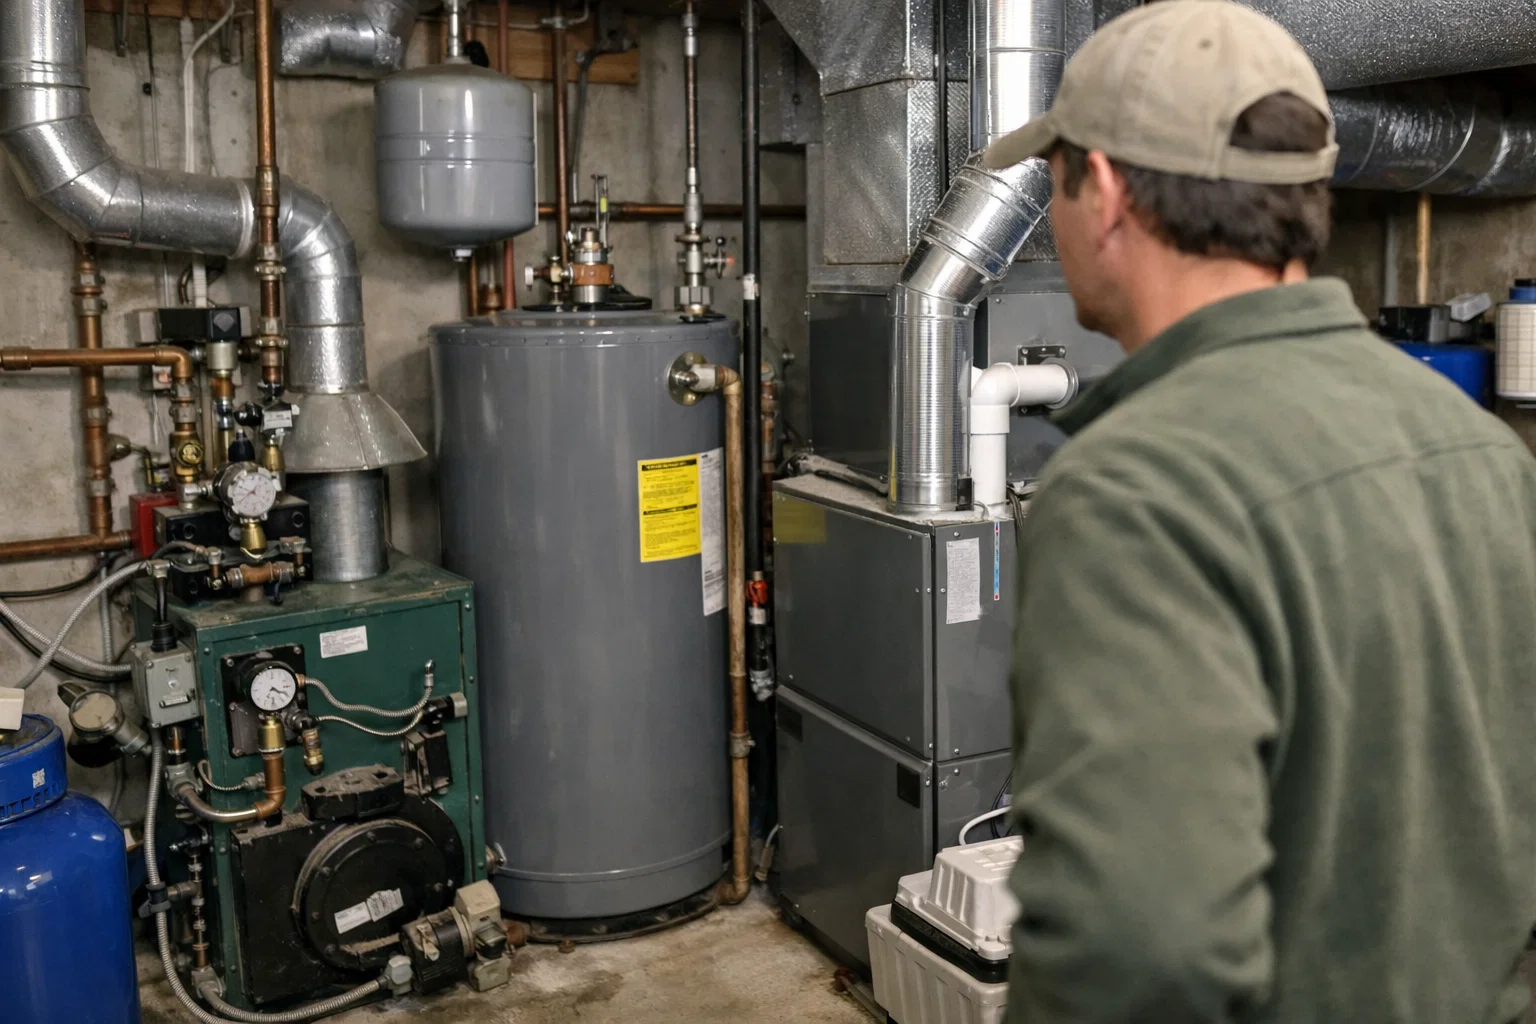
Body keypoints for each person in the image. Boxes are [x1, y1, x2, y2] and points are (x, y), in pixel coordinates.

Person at [988, 2, 1536, 1022]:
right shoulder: (1479, 447)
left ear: (1101, 192)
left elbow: (1136, 956)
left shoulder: (1136, 486)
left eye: (1053, 178)